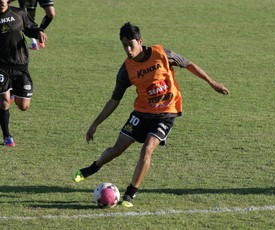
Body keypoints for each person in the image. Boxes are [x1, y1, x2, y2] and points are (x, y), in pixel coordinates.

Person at [73, 22, 229, 207]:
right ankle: (93, 167)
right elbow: (114, 100)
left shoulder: (162, 54)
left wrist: (212, 83)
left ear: (140, 41)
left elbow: (188, 64)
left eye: (131, 44)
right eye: (124, 45)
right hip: (142, 112)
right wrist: (95, 124)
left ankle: (130, 194)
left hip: (166, 112)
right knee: (117, 149)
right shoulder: (126, 70)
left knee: (147, 148)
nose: (128, 50)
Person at [0, 0, 47, 146]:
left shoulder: (19, 13)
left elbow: (31, 28)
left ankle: (11, 92)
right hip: (1, 66)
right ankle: (7, 136)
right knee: (4, 102)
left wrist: (39, 32)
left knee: (24, 106)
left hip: (20, 65)